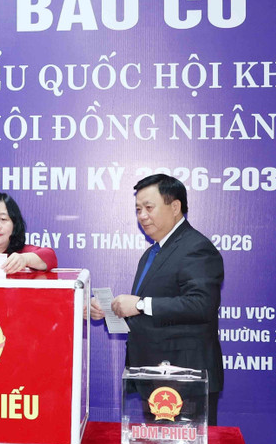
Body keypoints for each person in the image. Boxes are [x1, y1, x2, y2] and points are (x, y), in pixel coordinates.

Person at [91, 174, 224, 425]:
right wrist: (111, 310)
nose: (142, 216)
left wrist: (140, 304)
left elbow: (201, 305)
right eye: (138, 209)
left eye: (149, 207)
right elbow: (152, 311)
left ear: (175, 206)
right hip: (154, 376)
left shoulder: (196, 247)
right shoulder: (152, 253)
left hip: (185, 379)